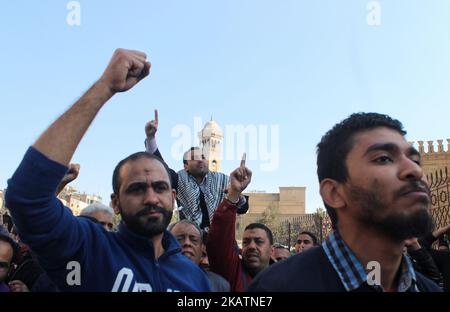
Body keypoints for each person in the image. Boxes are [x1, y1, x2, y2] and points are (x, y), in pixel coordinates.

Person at [5, 49, 210, 292]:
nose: (151, 197)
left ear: (173, 198)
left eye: (160, 187)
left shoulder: (194, 279)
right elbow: (26, 198)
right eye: (136, 189)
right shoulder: (87, 250)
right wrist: (104, 87)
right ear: (115, 203)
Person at [249, 112, 441, 292]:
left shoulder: (429, 289)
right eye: (383, 159)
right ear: (334, 193)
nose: (415, 171)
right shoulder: (275, 287)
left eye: (415, 160)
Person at [144, 111, 248, 231]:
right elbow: (160, 168)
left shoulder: (224, 180)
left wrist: (236, 193)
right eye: (194, 158)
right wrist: (151, 139)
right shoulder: (179, 179)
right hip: (190, 240)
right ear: (186, 166)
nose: (200, 160)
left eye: (203, 157)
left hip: (220, 238)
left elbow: (243, 208)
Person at [206, 155, 273, 291]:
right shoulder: (232, 273)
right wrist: (233, 194)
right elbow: (219, 241)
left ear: (272, 250)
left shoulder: (286, 277)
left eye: (259, 241)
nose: (252, 246)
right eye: (246, 242)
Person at [169, 220, 230, 292]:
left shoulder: (219, 285)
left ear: (201, 250)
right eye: (179, 239)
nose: (187, 243)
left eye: (193, 240)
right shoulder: (155, 278)